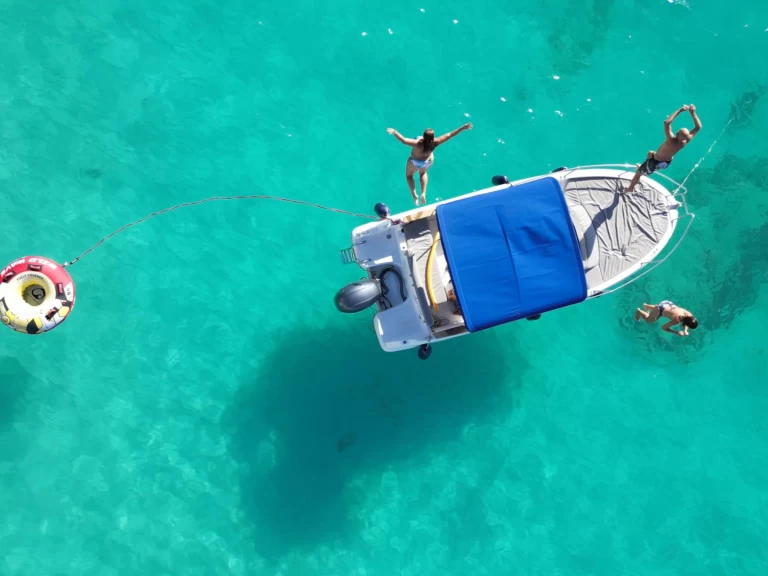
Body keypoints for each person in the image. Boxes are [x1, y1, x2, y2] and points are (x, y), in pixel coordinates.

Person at [386, 123, 473, 206]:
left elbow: (404, 140)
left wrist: (394, 132)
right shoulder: (436, 142)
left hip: (415, 162)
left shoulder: (418, 144)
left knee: (409, 176)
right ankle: (423, 193)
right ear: (432, 137)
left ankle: (414, 195)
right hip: (427, 162)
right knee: (423, 173)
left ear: (424, 136)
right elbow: (450, 134)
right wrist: (463, 128)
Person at [625, 104, 702, 193]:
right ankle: (646, 168)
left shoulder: (671, 140)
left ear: (677, 135)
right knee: (650, 153)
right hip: (666, 163)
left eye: (678, 132)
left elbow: (666, 122)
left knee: (637, 175)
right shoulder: (686, 140)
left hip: (655, 162)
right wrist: (693, 112)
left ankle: (630, 188)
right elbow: (698, 127)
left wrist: (680, 110)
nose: (676, 131)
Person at [634, 300, 698, 336]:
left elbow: (687, 321)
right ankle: (639, 311)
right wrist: (676, 332)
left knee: (661, 308)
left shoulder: (689, 315)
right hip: (660, 310)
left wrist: (685, 330)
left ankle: (646, 306)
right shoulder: (676, 320)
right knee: (649, 320)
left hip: (667, 303)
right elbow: (663, 328)